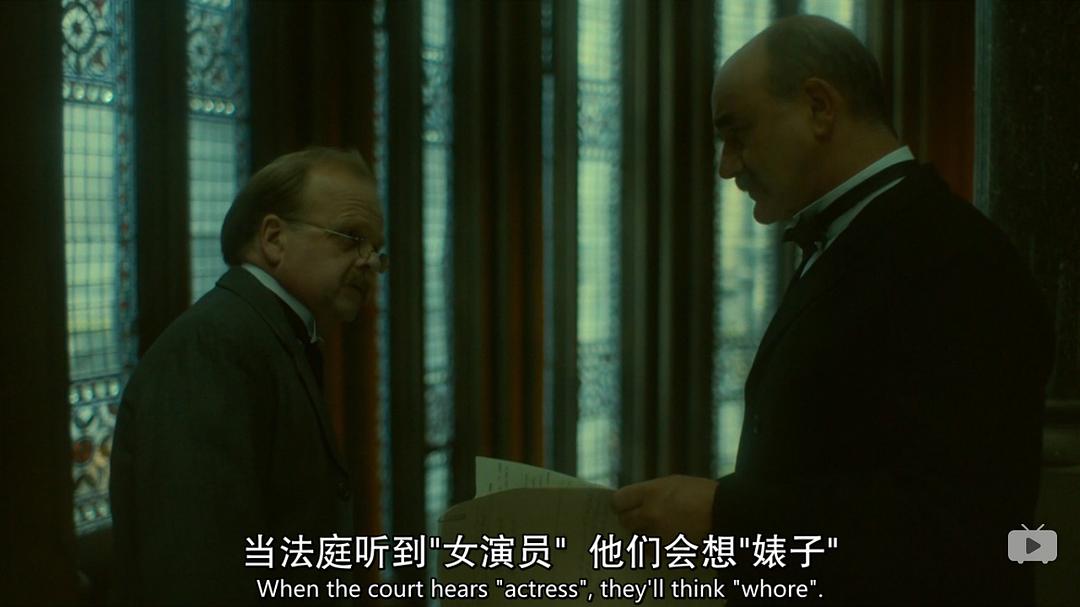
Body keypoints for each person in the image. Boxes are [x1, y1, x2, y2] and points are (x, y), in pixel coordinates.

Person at [613, 15, 1054, 606]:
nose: (727, 166)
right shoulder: (869, 236)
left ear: (820, 107)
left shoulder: (958, 260)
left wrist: (724, 513)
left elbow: (955, 526)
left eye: (737, 133)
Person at [110, 147, 387, 604]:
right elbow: (200, 570)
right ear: (274, 238)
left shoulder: (267, 335)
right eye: (350, 237)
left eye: (375, 249)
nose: (369, 262)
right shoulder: (214, 347)